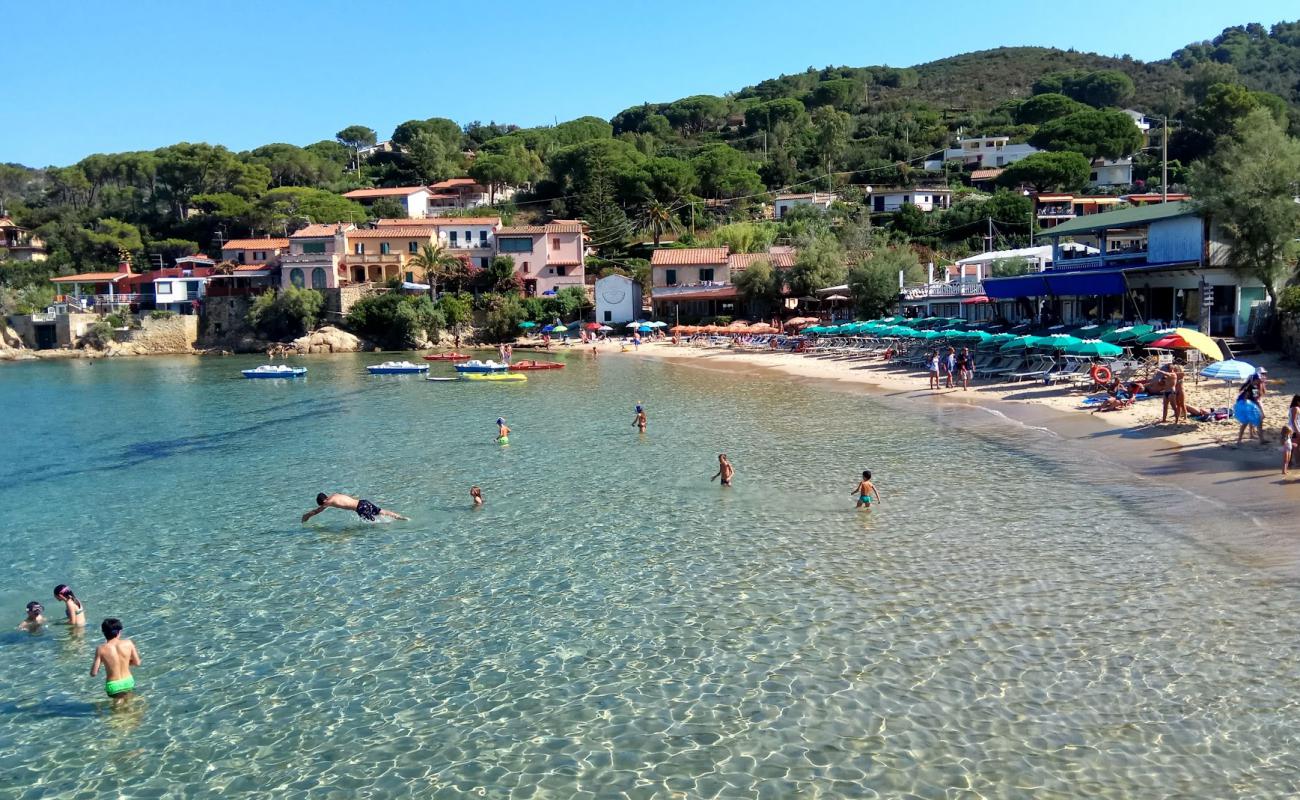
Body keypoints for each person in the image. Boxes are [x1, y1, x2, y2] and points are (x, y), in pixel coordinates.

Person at [90, 618, 140, 701]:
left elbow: (93, 673)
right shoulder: (129, 643)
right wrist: (125, 662)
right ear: (119, 632)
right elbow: (137, 663)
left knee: (116, 708)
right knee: (129, 704)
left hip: (113, 685)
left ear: (103, 633)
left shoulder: (101, 649)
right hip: (128, 681)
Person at [301, 492, 408, 523]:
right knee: (382, 512)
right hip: (363, 502)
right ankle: (403, 518)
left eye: (322, 504)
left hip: (360, 508)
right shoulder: (334, 495)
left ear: (323, 501)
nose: (324, 505)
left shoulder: (328, 501)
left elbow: (317, 511)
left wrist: (306, 516)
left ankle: (389, 528)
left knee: (374, 524)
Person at [1235, 372, 1266, 446]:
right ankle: (1261, 440)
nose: (1259, 380)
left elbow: (1245, 396)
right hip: (1246, 405)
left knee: (1246, 422)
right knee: (1258, 420)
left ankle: (1240, 440)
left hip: (1241, 404)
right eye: (1258, 379)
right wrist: (1262, 412)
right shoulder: (1254, 388)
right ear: (1255, 380)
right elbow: (1257, 400)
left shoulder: (1248, 385)